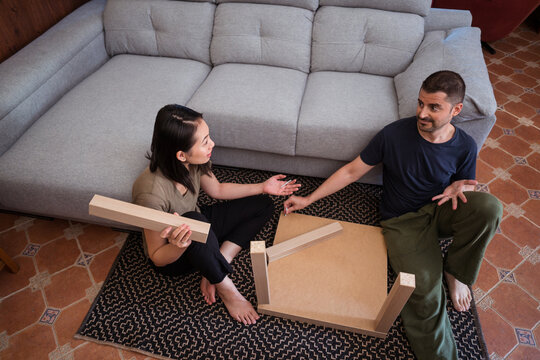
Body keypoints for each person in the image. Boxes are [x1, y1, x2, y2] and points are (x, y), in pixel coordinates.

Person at [284, 71, 502, 359]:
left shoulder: (465, 146)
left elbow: (464, 187)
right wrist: (309, 198)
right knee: (424, 289)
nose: (422, 113)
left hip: (441, 209)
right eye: (420, 103)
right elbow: (351, 171)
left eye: (434, 107)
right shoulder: (394, 134)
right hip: (403, 222)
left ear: (456, 110)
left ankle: (456, 272)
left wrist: (459, 189)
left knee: (490, 208)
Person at [132, 104, 300, 325]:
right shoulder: (150, 194)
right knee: (194, 221)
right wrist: (178, 245)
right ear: (181, 154)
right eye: (205, 142)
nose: (212, 144)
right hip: (175, 254)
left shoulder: (194, 161)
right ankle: (225, 287)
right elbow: (157, 256)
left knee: (263, 204)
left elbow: (217, 190)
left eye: (208, 137)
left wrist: (262, 187)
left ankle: (218, 260)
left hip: (199, 225)